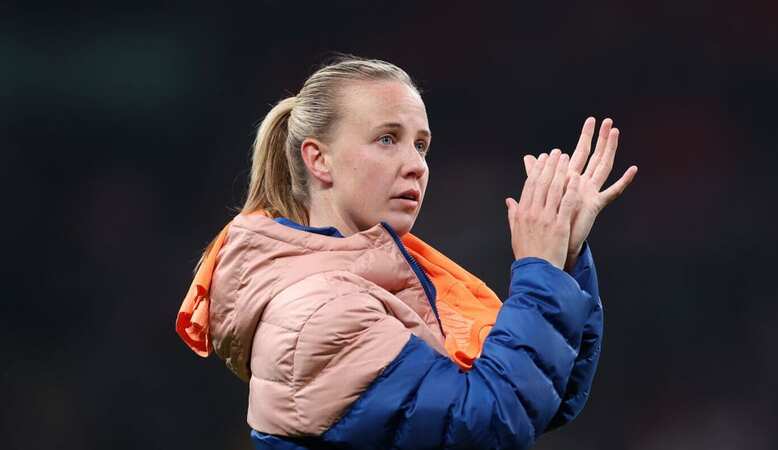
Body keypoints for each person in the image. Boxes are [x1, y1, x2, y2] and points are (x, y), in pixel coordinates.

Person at [176, 55, 637, 450]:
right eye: (387, 139)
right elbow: (489, 423)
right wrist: (539, 271)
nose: (415, 164)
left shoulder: (385, 280)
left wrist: (564, 258)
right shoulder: (319, 313)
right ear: (319, 160)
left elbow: (547, 396)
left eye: (421, 145)